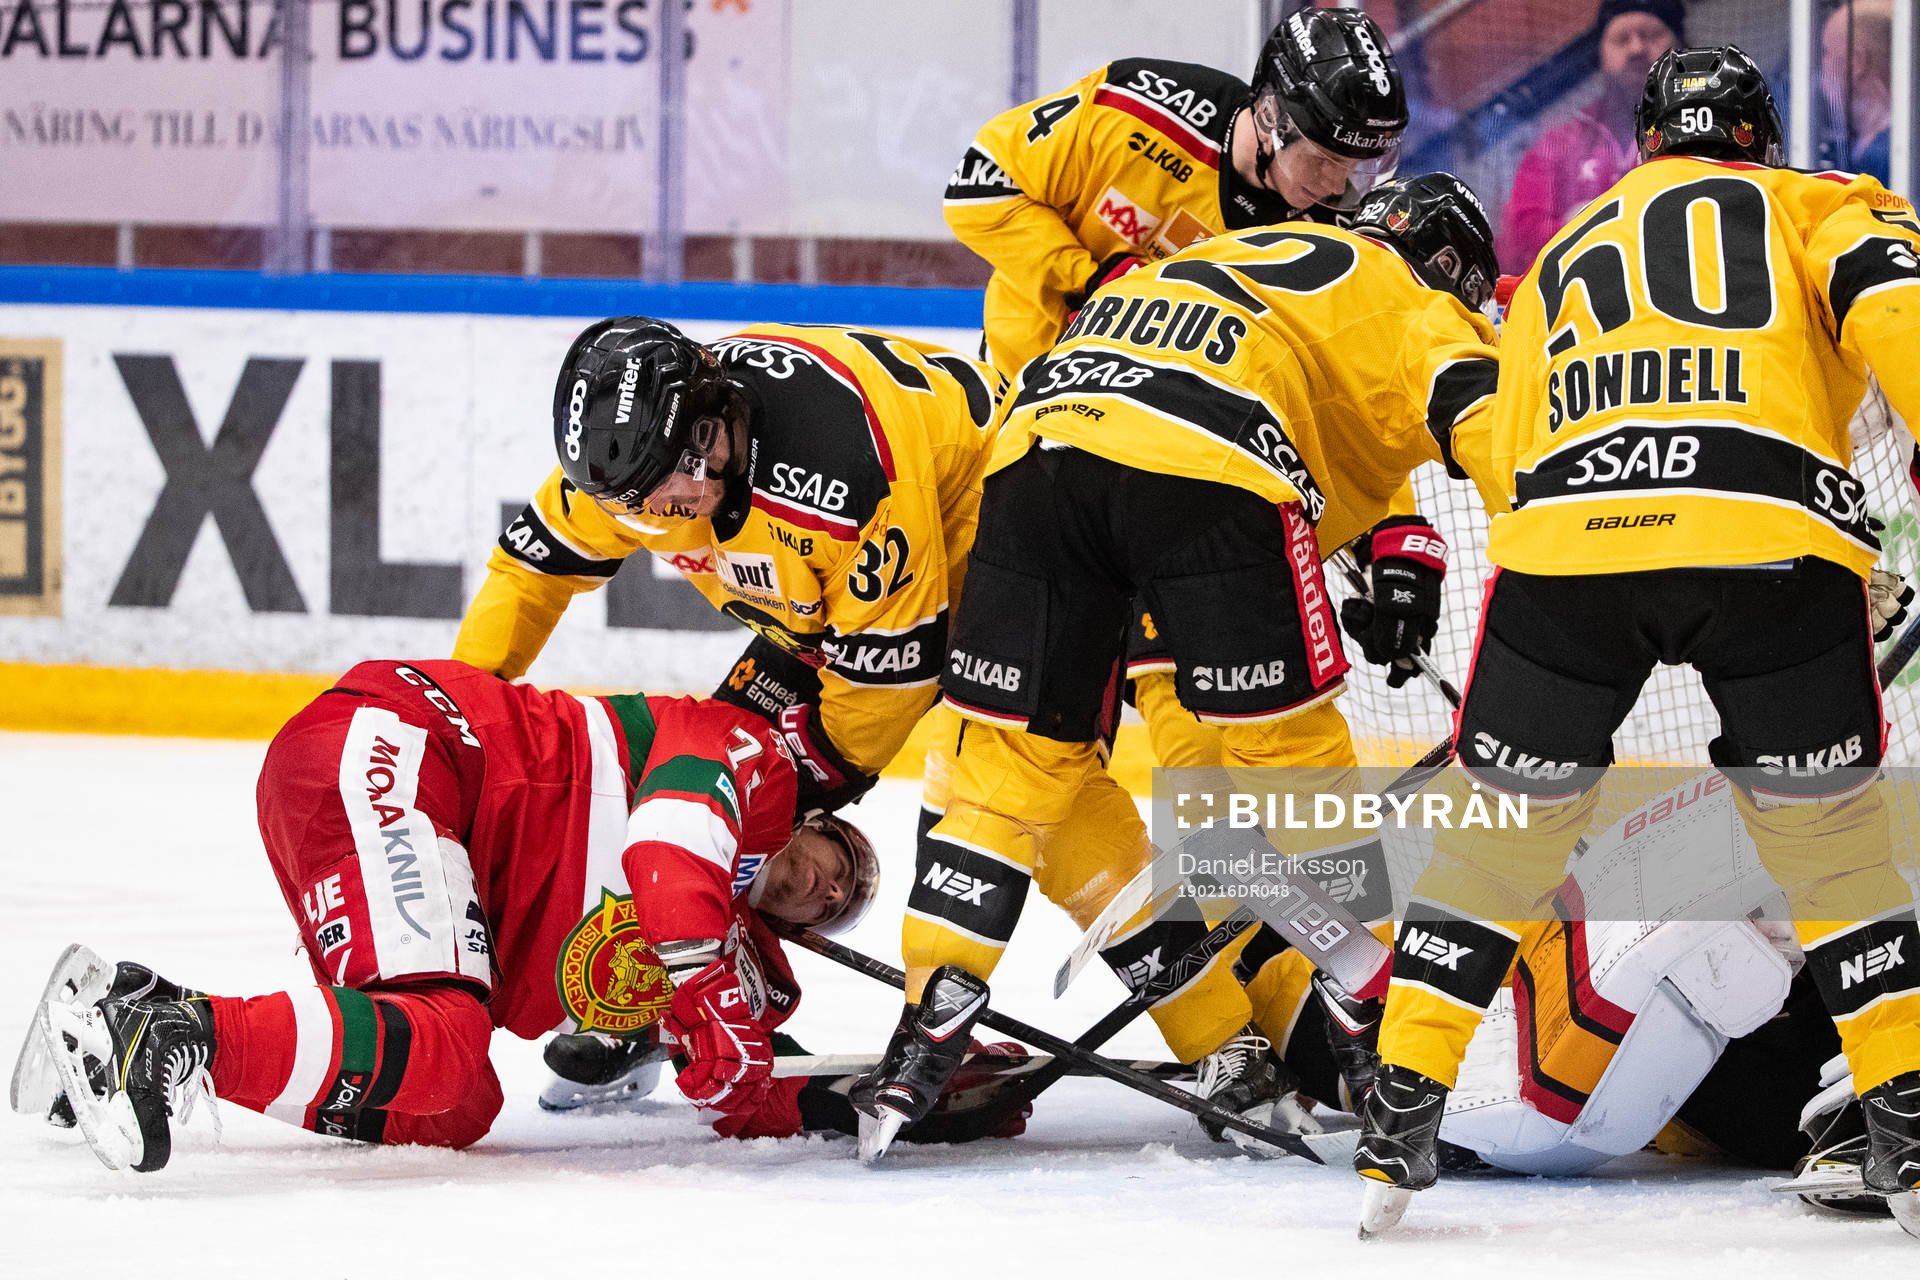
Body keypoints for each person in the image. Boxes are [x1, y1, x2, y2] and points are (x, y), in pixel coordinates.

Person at [1355, 46, 1920, 1239]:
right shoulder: (1822, 200)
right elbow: (1897, 311)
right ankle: (1907, 1117)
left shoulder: (1565, 245)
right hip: (1767, 532)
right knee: (1837, 857)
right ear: (1761, 136)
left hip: (1565, 547)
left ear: (1651, 141)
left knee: (1496, 844)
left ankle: (1398, 1107)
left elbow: (1505, 440)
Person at [850, 173, 1506, 1158]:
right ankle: (1366, 1019)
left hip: (1040, 452)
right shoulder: (1420, 307)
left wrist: (1388, 570)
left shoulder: (1222, 258)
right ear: (1451, 266)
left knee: (1007, 765)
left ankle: (932, 1000)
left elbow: (1334, 433)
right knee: (1286, 773)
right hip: (1206, 482)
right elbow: (1472, 416)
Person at [19, 658, 902, 1169]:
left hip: (388, 809)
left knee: (450, 1105)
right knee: (439, 1035)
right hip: (404, 748)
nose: (829, 893)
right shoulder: (745, 763)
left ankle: (132, 1015)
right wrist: (711, 993)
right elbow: (670, 855)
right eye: (840, 865)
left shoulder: (703, 949)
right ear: (812, 823)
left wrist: (910, 1089)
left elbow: (739, 1088)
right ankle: (166, 1033)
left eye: (841, 910)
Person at [1496, 0, 1683, 275]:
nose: (1637, 48)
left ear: (1682, 45)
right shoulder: (1557, 144)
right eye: (1622, 39)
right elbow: (1521, 236)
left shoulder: (1708, 132)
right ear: (1600, 55)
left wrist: (1589, 226)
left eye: (1652, 35)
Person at [1820, 0, 1894, 186]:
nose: (1820, 66)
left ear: (1856, 63)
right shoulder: (1871, 148)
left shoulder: (1883, 156)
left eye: (1826, 52)